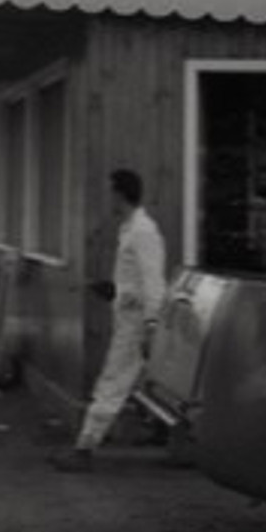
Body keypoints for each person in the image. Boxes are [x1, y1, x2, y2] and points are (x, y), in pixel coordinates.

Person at [51, 168, 167, 473]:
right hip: (129, 315)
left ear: (119, 193)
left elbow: (153, 281)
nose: (107, 198)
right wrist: (103, 287)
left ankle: (84, 448)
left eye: (110, 191)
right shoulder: (129, 229)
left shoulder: (143, 231)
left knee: (112, 382)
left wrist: (152, 324)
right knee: (147, 381)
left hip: (136, 322)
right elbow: (131, 282)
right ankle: (163, 433)